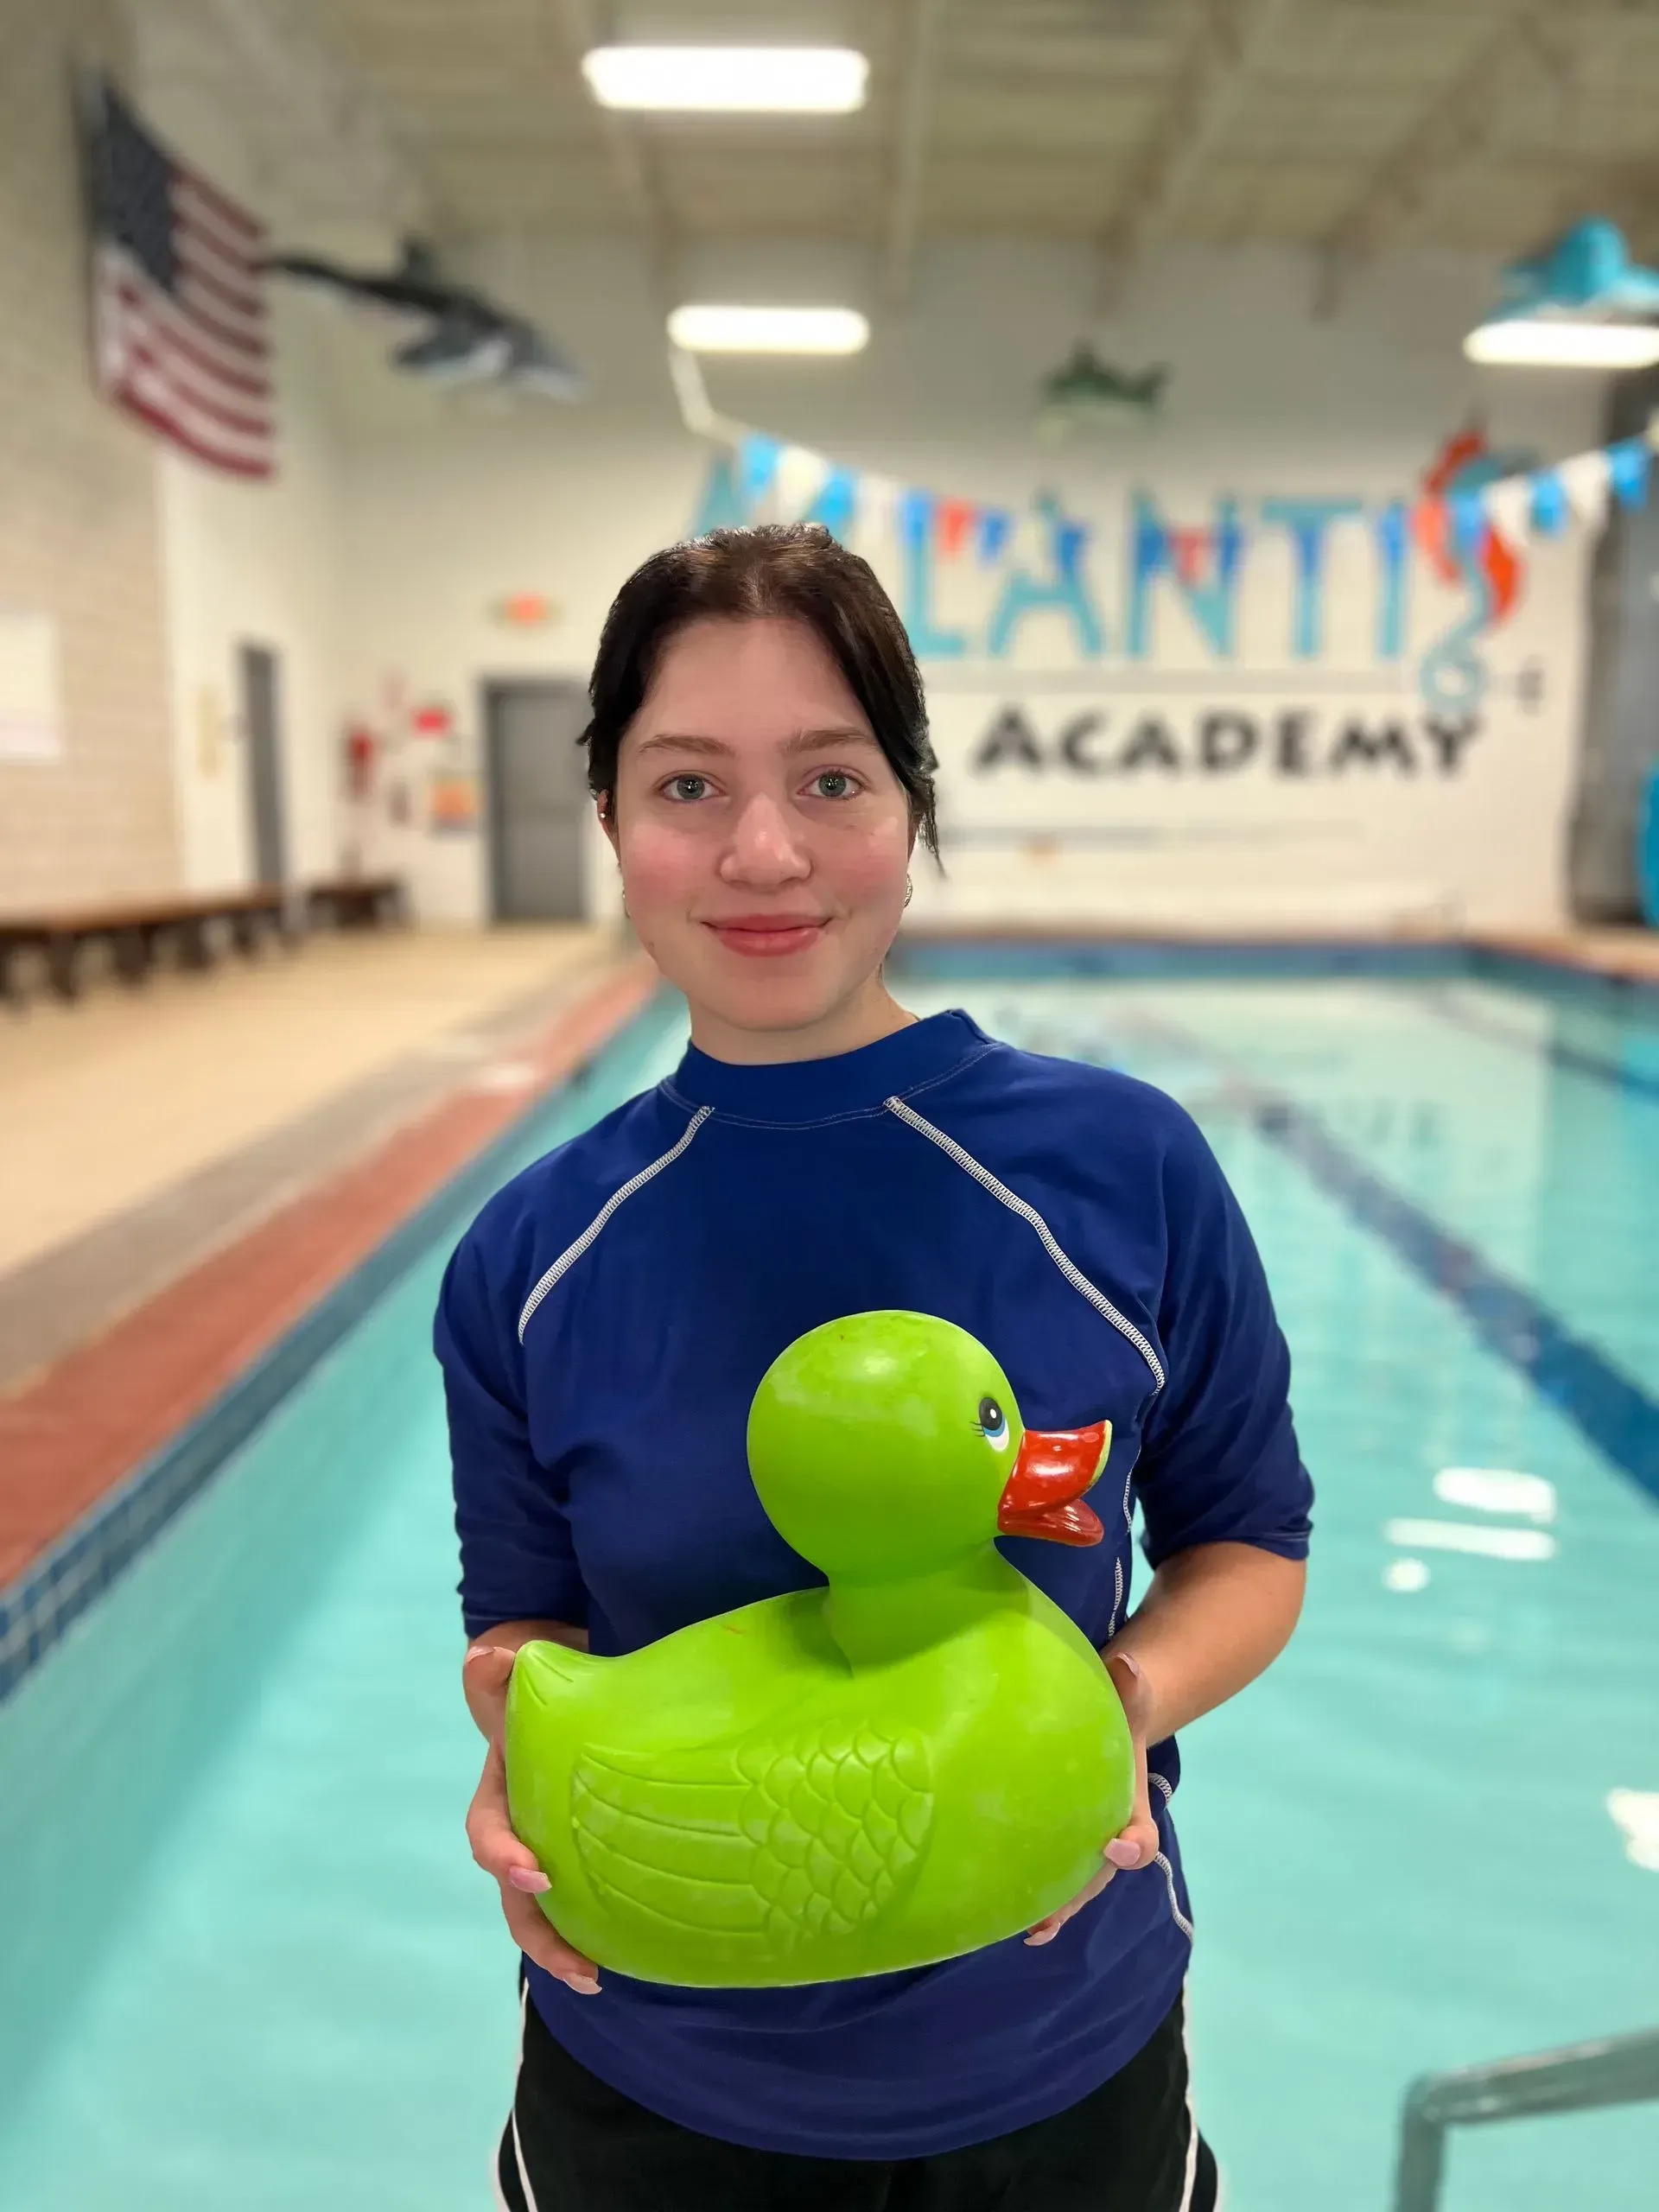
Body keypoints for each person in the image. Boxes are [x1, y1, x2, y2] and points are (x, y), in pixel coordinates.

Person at [435, 523, 1312, 2212]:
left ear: (913, 809)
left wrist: (1106, 1710)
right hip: (656, 2075)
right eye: (687, 785)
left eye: (830, 779)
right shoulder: (529, 1255)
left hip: (1061, 2060)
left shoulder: (1120, 1169)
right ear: (610, 816)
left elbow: (1249, 1545)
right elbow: (525, 1625)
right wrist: (516, 1750)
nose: (765, 850)